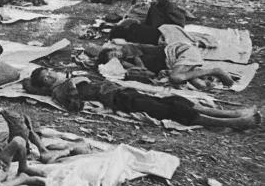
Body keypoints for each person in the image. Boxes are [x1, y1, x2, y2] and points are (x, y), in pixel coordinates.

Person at [25, 67, 260, 130]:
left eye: (48, 73)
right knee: (173, 112)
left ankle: (233, 113)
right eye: (45, 79)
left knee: (175, 101)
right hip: (120, 101)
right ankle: (234, 123)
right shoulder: (60, 91)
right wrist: (74, 87)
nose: (50, 76)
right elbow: (74, 108)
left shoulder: (68, 77)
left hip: (121, 92)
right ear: (45, 85)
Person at [98, 41, 234, 90]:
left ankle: (216, 71)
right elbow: (149, 74)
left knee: (175, 78)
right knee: (200, 85)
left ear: (116, 49)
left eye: (115, 54)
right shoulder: (124, 62)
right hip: (174, 62)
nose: (118, 58)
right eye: (113, 60)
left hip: (178, 52)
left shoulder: (127, 48)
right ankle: (208, 76)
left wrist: (124, 64)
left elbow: (141, 68)